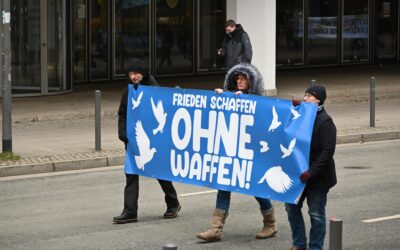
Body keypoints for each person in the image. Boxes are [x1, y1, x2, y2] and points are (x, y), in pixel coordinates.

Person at [196, 63, 277, 242]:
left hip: (251, 153)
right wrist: (219, 98)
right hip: (231, 151)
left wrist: (247, 101)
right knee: (223, 187)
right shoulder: (230, 97)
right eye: (237, 79)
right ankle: (215, 229)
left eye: (243, 79)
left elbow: (263, 125)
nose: (240, 81)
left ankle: (270, 224)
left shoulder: (260, 101)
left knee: (257, 189)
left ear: (251, 81)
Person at [113, 59, 181, 224]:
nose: (134, 76)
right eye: (130, 74)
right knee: (131, 173)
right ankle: (130, 211)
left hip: (152, 138)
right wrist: (122, 133)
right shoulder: (128, 91)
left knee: (159, 171)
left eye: (136, 73)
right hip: (133, 139)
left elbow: (164, 112)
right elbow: (122, 114)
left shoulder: (154, 89)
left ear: (143, 73)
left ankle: (173, 203)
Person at [285, 85, 337, 250]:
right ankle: (299, 244)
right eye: (305, 95)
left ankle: (315, 247)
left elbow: (328, 151)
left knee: (316, 214)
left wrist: (311, 172)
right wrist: (289, 108)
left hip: (318, 177)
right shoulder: (302, 115)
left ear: (319, 100)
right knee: (291, 207)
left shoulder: (325, 121)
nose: (305, 98)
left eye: (310, 96)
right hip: (299, 174)